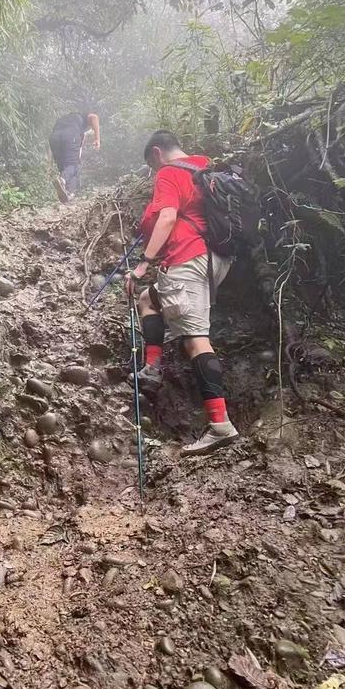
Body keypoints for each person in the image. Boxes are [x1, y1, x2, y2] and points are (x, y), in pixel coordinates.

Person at [124, 129, 239, 456]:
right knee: (149, 299)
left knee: (194, 338)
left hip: (188, 259)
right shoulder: (204, 167)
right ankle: (153, 367)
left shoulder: (169, 173)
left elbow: (168, 216)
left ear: (157, 153)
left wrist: (143, 264)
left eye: (151, 165)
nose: (152, 173)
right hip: (214, 260)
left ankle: (220, 424)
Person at [48, 111, 100, 202]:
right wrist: (97, 139)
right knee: (73, 166)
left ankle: (68, 195)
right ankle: (62, 180)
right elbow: (94, 117)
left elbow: (50, 151)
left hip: (54, 138)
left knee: (65, 168)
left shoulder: (66, 120)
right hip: (70, 135)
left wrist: (48, 166)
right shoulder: (83, 117)